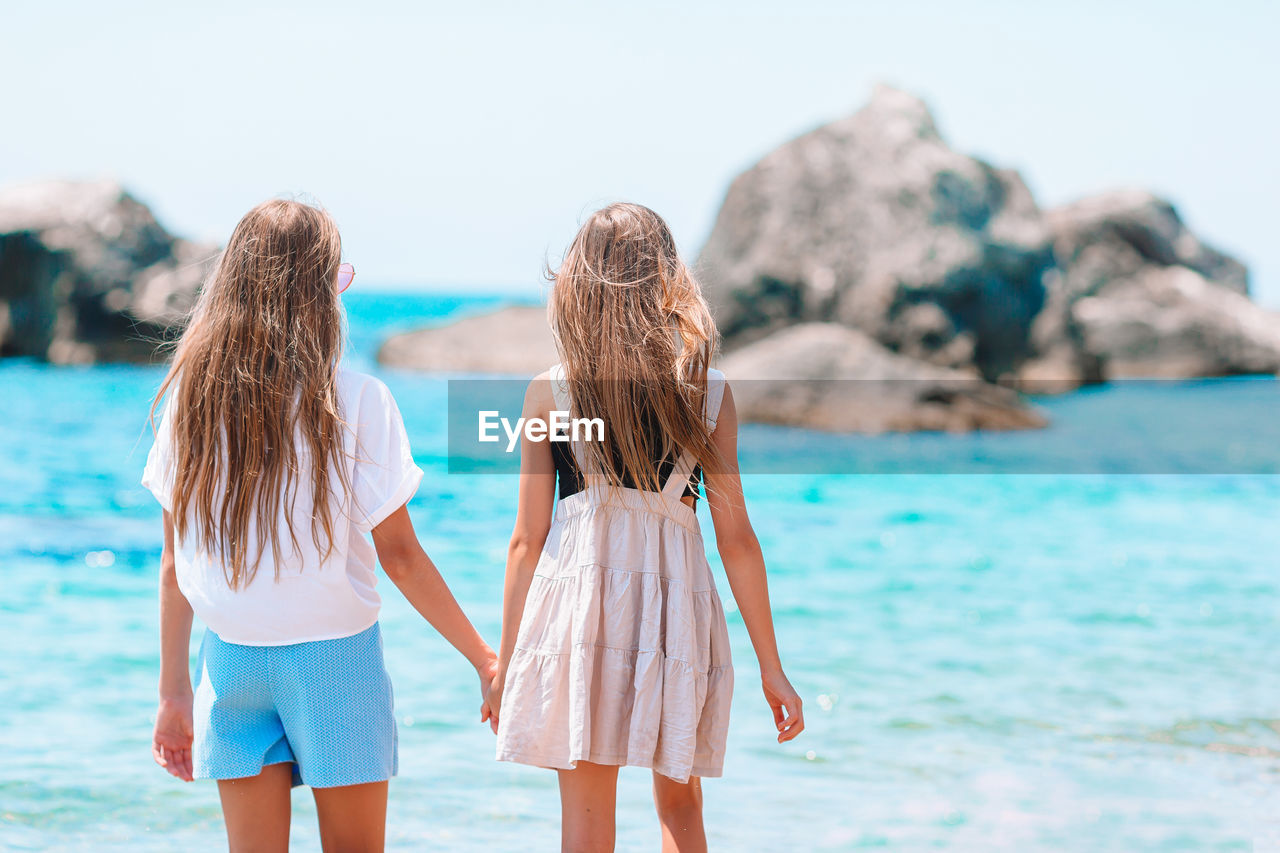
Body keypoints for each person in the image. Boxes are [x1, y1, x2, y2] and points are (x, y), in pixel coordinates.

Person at [143, 199, 497, 852]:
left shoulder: (189, 395)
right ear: (321, 291)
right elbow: (401, 556)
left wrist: (174, 694)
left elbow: (173, 565)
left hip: (230, 666)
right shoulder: (356, 400)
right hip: (335, 661)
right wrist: (484, 657)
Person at [485, 203, 804, 852]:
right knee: (681, 804)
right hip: (673, 612)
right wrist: (773, 667)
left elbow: (527, 540)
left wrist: (505, 660)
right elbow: (736, 539)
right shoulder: (706, 392)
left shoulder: (550, 394)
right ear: (667, 279)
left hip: (585, 612)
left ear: (577, 285)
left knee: (586, 812)